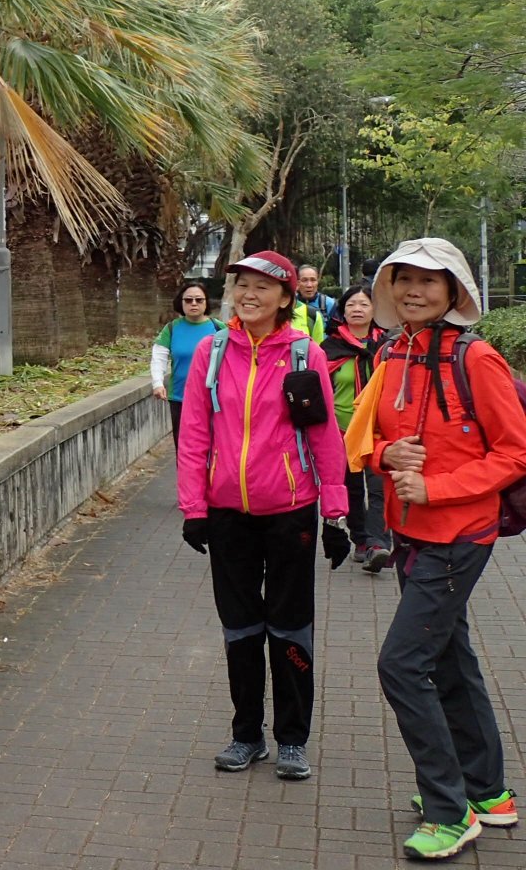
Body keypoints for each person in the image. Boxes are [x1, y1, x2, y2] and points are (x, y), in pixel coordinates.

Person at [345, 238, 524, 859]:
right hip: (410, 533)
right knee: (448, 658)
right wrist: (386, 455)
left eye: (429, 279)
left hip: (458, 536)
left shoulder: (477, 358)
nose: (414, 290)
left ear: (453, 290)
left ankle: (449, 810)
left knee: (401, 665)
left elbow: (516, 453)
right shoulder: (393, 352)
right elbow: (366, 437)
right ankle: (488, 793)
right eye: (403, 279)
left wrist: (437, 487)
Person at [177, 251, 349, 782]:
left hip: (291, 513)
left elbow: (323, 433)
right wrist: (194, 507)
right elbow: (194, 433)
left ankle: (292, 739)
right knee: (241, 627)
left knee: (290, 628)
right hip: (227, 513)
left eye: (262, 287)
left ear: (285, 297)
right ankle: (246, 734)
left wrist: (335, 512)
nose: (248, 295)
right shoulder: (212, 351)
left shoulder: (303, 354)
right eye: (242, 285)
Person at [321, 283, 390, 571]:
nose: (357, 309)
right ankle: (360, 540)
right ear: (342, 311)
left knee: (379, 489)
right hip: (342, 431)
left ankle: (377, 544)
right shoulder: (329, 348)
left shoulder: (389, 346)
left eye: (364, 304)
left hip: (378, 430)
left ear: (375, 310)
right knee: (351, 491)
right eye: (351, 305)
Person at [149, 282, 223, 449]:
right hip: (180, 398)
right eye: (188, 300)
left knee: (215, 447)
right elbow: (158, 357)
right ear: (181, 303)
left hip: (214, 399)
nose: (194, 303)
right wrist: (157, 383)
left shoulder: (220, 328)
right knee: (185, 448)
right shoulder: (171, 329)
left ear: (206, 302)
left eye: (199, 300)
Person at [297, 264, 337, 334]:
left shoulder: (329, 304)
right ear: (297, 283)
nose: (309, 285)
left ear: (317, 282)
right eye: (304, 280)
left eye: (313, 280)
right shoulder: (290, 304)